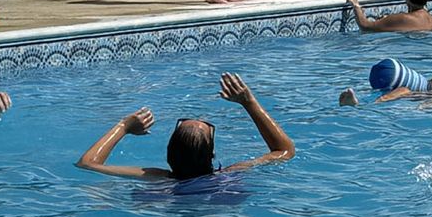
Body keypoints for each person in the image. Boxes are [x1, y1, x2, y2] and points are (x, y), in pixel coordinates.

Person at [77, 73, 294, 180]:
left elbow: (88, 164)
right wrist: (249, 103)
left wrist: (123, 126)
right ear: (213, 154)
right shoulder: (227, 177)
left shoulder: (157, 179)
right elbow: (284, 151)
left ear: (168, 154)